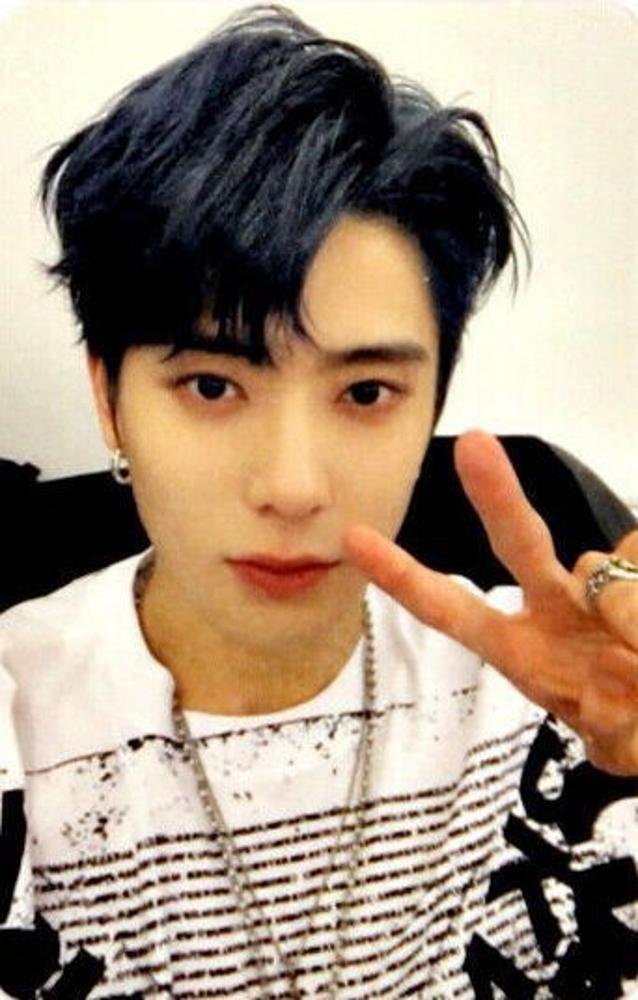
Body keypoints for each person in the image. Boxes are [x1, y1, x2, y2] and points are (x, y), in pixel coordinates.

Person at [0, 5, 637, 997]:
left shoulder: (564, 698)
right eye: (212, 385)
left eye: (366, 393)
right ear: (108, 400)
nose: (294, 486)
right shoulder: (16, 724)